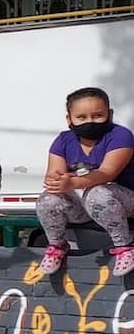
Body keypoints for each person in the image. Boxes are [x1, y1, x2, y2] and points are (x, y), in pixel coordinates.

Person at [35, 87, 134, 277]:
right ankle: (57, 246)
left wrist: (72, 182)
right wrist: (57, 181)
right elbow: (54, 175)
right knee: (48, 199)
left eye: (98, 115)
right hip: (84, 204)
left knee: (98, 193)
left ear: (109, 114)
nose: (90, 121)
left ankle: (125, 246)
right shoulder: (63, 140)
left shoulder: (121, 136)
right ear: (69, 119)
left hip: (124, 200)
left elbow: (107, 173)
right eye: (81, 117)